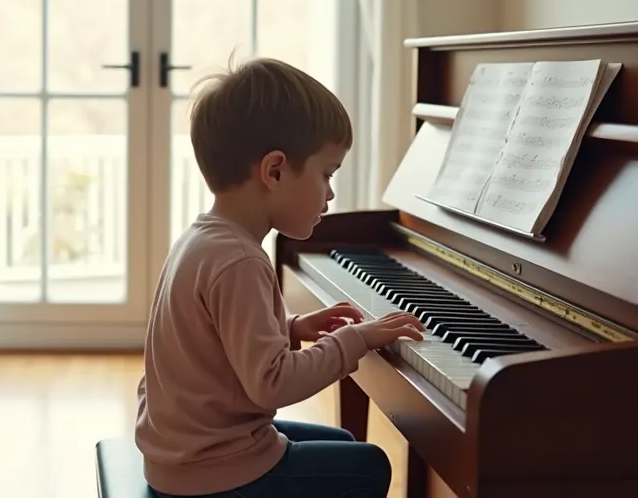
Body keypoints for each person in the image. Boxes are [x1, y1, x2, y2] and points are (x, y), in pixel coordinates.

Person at [134, 56, 425, 497]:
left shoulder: (204, 239)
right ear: (273, 171)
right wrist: (355, 340)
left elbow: (220, 343)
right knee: (368, 467)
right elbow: (271, 385)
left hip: (185, 455)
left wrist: (292, 328)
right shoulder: (239, 261)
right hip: (209, 473)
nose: (331, 193)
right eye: (326, 174)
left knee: (343, 444)